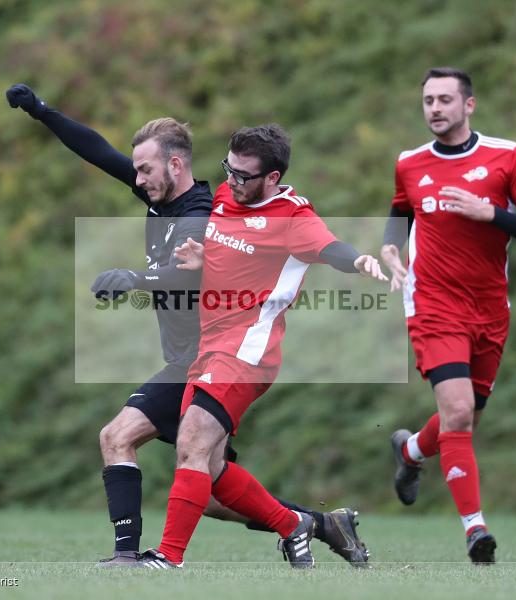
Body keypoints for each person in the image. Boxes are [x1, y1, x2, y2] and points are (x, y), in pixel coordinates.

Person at [5, 85, 369, 567]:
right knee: (213, 487)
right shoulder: (159, 194)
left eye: (146, 169)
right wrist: (42, 111)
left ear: (175, 165)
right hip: (193, 360)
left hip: (208, 358)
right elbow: (98, 152)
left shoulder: (202, 212)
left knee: (119, 437)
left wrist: (136, 278)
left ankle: (130, 557)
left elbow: (191, 270)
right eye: (137, 169)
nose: (137, 177)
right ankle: (315, 524)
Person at [131, 124, 388, 569]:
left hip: (247, 352)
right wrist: (201, 258)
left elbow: (330, 248)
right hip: (209, 347)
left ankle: (167, 558)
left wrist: (360, 261)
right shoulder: (227, 198)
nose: (232, 181)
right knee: (207, 470)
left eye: (244, 176)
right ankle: (294, 524)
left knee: (191, 441)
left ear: (272, 178)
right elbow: (237, 255)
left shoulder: (293, 217)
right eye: (228, 169)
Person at [380, 67, 516, 564]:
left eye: (444, 100)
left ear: (469, 105)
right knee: (457, 412)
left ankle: (412, 450)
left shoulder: (507, 156)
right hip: (432, 303)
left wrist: (491, 214)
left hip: (490, 308)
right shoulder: (410, 163)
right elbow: (399, 215)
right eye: (428, 101)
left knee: (466, 418)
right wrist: (392, 252)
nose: (434, 108)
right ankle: (475, 531)